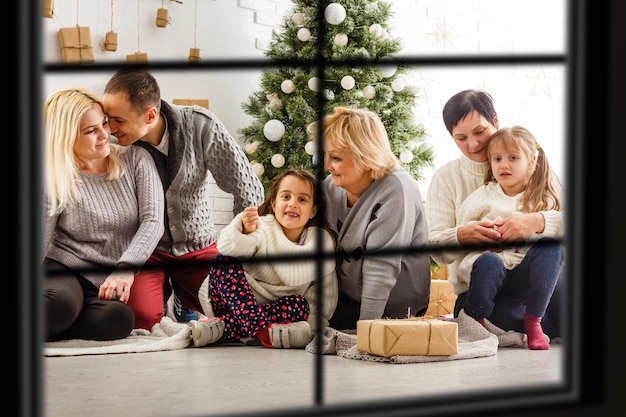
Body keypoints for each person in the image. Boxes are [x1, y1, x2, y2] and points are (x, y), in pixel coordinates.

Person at [102, 68, 265, 330]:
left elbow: (248, 188)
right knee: (141, 320)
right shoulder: (116, 145)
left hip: (197, 248)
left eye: (118, 120)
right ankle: (168, 292)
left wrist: (238, 244)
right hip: (148, 252)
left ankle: (185, 298)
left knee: (234, 311)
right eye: (108, 119)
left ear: (150, 115)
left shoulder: (200, 125)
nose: (110, 128)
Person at [426, 89, 564, 341]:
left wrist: (538, 221)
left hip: (533, 279)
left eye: (479, 132)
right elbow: (435, 249)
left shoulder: (532, 165)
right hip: (484, 286)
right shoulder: (446, 178)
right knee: (503, 313)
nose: (473, 144)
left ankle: (538, 321)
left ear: (496, 121)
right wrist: (462, 235)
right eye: (461, 138)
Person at [42, 87, 165, 341]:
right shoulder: (52, 177)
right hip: (64, 268)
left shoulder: (136, 159)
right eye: (91, 131)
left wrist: (125, 269)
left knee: (119, 319)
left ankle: (56, 325)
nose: (105, 135)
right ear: (64, 137)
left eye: (104, 123)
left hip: (108, 277)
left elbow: (153, 221)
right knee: (60, 305)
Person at [190, 169, 338, 349]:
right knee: (223, 262)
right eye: (286, 197)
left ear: (313, 210)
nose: (292, 204)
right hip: (229, 300)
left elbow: (323, 297)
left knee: (299, 305)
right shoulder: (262, 227)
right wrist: (244, 232)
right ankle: (263, 331)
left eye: (302, 199)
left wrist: (311, 328)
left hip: (271, 311)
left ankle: (222, 327)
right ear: (274, 204)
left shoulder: (319, 245)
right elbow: (226, 247)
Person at [321, 106, 431, 330]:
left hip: (396, 308)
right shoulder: (331, 186)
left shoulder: (396, 188)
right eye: (326, 155)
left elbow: (380, 267)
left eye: (336, 158)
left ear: (365, 158)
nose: (327, 166)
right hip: (350, 297)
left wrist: (367, 332)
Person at [455, 126, 563, 349]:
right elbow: (463, 234)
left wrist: (535, 226)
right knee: (489, 261)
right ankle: (476, 320)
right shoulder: (483, 196)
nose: (503, 165)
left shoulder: (544, 199)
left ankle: (534, 321)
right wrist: (482, 237)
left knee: (550, 247)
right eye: (497, 159)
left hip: (524, 279)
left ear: (532, 161)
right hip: (491, 275)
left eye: (513, 158)